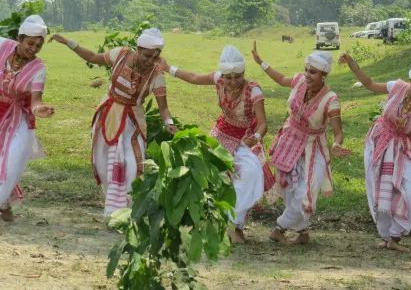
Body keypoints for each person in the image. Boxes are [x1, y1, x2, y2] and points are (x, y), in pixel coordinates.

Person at [50, 29, 176, 216]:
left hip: (133, 121)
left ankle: (126, 211)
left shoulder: (156, 74)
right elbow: (93, 57)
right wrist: (68, 42)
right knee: (103, 162)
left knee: (133, 165)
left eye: (155, 56)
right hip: (108, 115)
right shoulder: (121, 54)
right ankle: (113, 210)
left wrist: (169, 123)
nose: (150, 60)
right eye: (147, 55)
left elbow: (163, 106)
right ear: (139, 49)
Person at [160, 45, 272, 243]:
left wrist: (254, 137)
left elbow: (263, 124)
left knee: (249, 175)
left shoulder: (253, 90)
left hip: (244, 141)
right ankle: (227, 227)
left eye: (237, 76)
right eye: (228, 77)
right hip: (220, 136)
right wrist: (169, 69)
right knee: (219, 181)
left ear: (243, 73)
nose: (233, 81)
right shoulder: (218, 80)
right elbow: (194, 78)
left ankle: (232, 223)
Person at [339, 53, 411, 251]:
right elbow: (369, 84)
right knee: (377, 187)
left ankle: (395, 235)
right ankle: (388, 237)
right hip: (379, 141)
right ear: (410, 81)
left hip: (403, 149)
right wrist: (352, 64)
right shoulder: (397, 87)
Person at [252, 41, 351, 245]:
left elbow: (338, 132)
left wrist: (336, 145)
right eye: (306, 70)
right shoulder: (299, 82)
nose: (307, 75)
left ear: (323, 75)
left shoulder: (331, 99)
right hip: (289, 142)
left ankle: (279, 228)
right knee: (289, 189)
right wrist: (260, 62)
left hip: (313, 147)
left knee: (307, 191)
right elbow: (280, 79)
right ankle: (303, 233)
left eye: (313, 72)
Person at [0, 15, 55, 222]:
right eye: (30, 43)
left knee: (12, 159)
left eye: (38, 46)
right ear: (19, 38)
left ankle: (2, 200)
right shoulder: (2, 46)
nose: (33, 49)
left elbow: (35, 101)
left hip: (17, 117)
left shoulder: (38, 69)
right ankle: (4, 203)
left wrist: (39, 109)